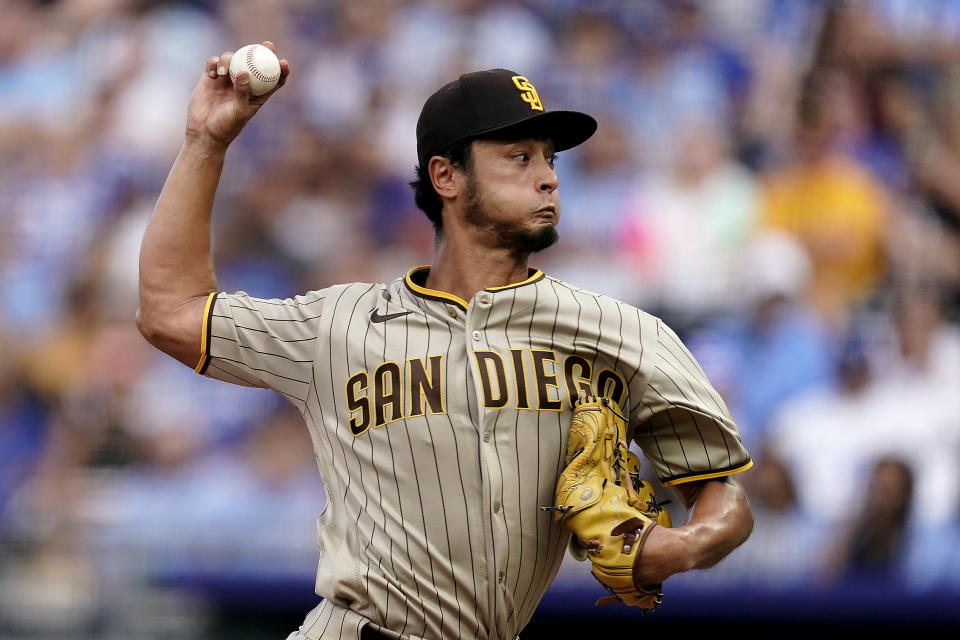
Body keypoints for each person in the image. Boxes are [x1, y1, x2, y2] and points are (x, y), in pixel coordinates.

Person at [136, 41, 754, 640]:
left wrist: (683, 546)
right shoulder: (339, 324)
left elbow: (721, 495)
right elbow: (169, 311)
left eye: (550, 160)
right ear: (446, 176)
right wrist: (206, 142)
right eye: (520, 157)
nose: (547, 179)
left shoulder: (619, 332)